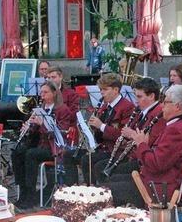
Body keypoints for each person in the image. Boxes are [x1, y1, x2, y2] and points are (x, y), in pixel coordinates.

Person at [107, 85, 182, 208]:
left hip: (162, 189)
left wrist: (142, 144)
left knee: (108, 191)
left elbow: (156, 165)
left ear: (177, 106)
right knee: (114, 181)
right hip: (162, 183)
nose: (162, 106)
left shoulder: (177, 129)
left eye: (166, 102)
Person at [62, 73, 135, 185]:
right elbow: (98, 132)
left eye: (105, 89)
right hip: (101, 147)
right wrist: (88, 129)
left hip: (114, 150)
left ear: (116, 90)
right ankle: (72, 189)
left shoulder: (127, 107)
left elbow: (123, 135)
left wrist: (101, 125)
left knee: (88, 160)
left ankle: (92, 192)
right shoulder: (105, 106)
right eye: (101, 89)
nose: (101, 92)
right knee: (68, 155)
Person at [12, 81, 74, 210]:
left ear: (54, 93)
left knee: (31, 155)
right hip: (41, 145)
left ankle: (30, 195)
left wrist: (43, 124)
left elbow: (61, 134)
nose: (42, 95)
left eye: (45, 92)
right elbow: (35, 132)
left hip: (55, 148)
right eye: (41, 92)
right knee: (17, 152)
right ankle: (22, 191)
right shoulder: (41, 109)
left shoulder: (63, 110)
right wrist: (29, 126)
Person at [95, 77, 165, 181]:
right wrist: (126, 140)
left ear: (151, 96)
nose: (136, 100)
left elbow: (152, 142)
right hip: (131, 155)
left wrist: (132, 135)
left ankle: (104, 194)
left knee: (109, 175)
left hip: (141, 161)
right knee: (99, 167)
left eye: (139, 97)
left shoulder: (158, 115)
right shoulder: (142, 111)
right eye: (135, 96)